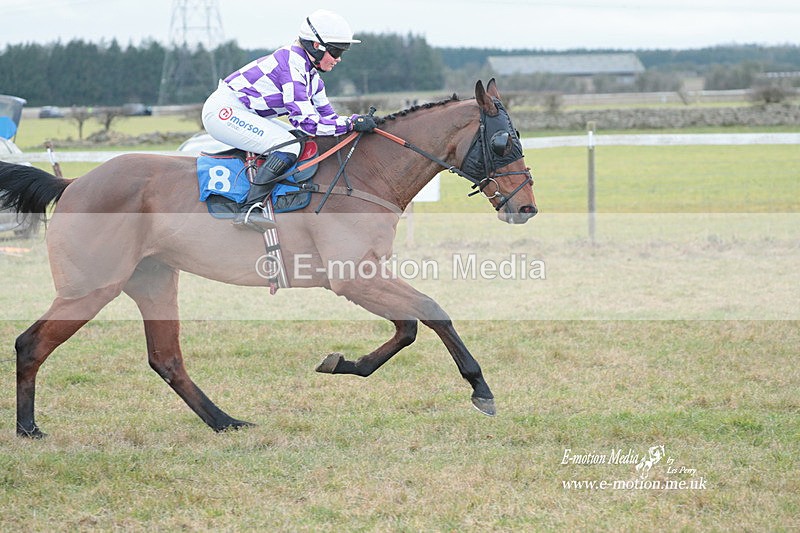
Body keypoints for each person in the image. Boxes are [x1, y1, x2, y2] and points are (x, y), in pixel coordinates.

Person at [202, 9, 377, 230]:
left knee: (297, 140)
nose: (339, 58)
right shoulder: (291, 66)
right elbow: (307, 122)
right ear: (316, 46)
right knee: (290, 146)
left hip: (245, 112)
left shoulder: (312, 77)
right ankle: (249, 210)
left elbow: (329, 120)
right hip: (224, 111)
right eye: (335, 51)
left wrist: (356, 124)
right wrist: (351, 122)